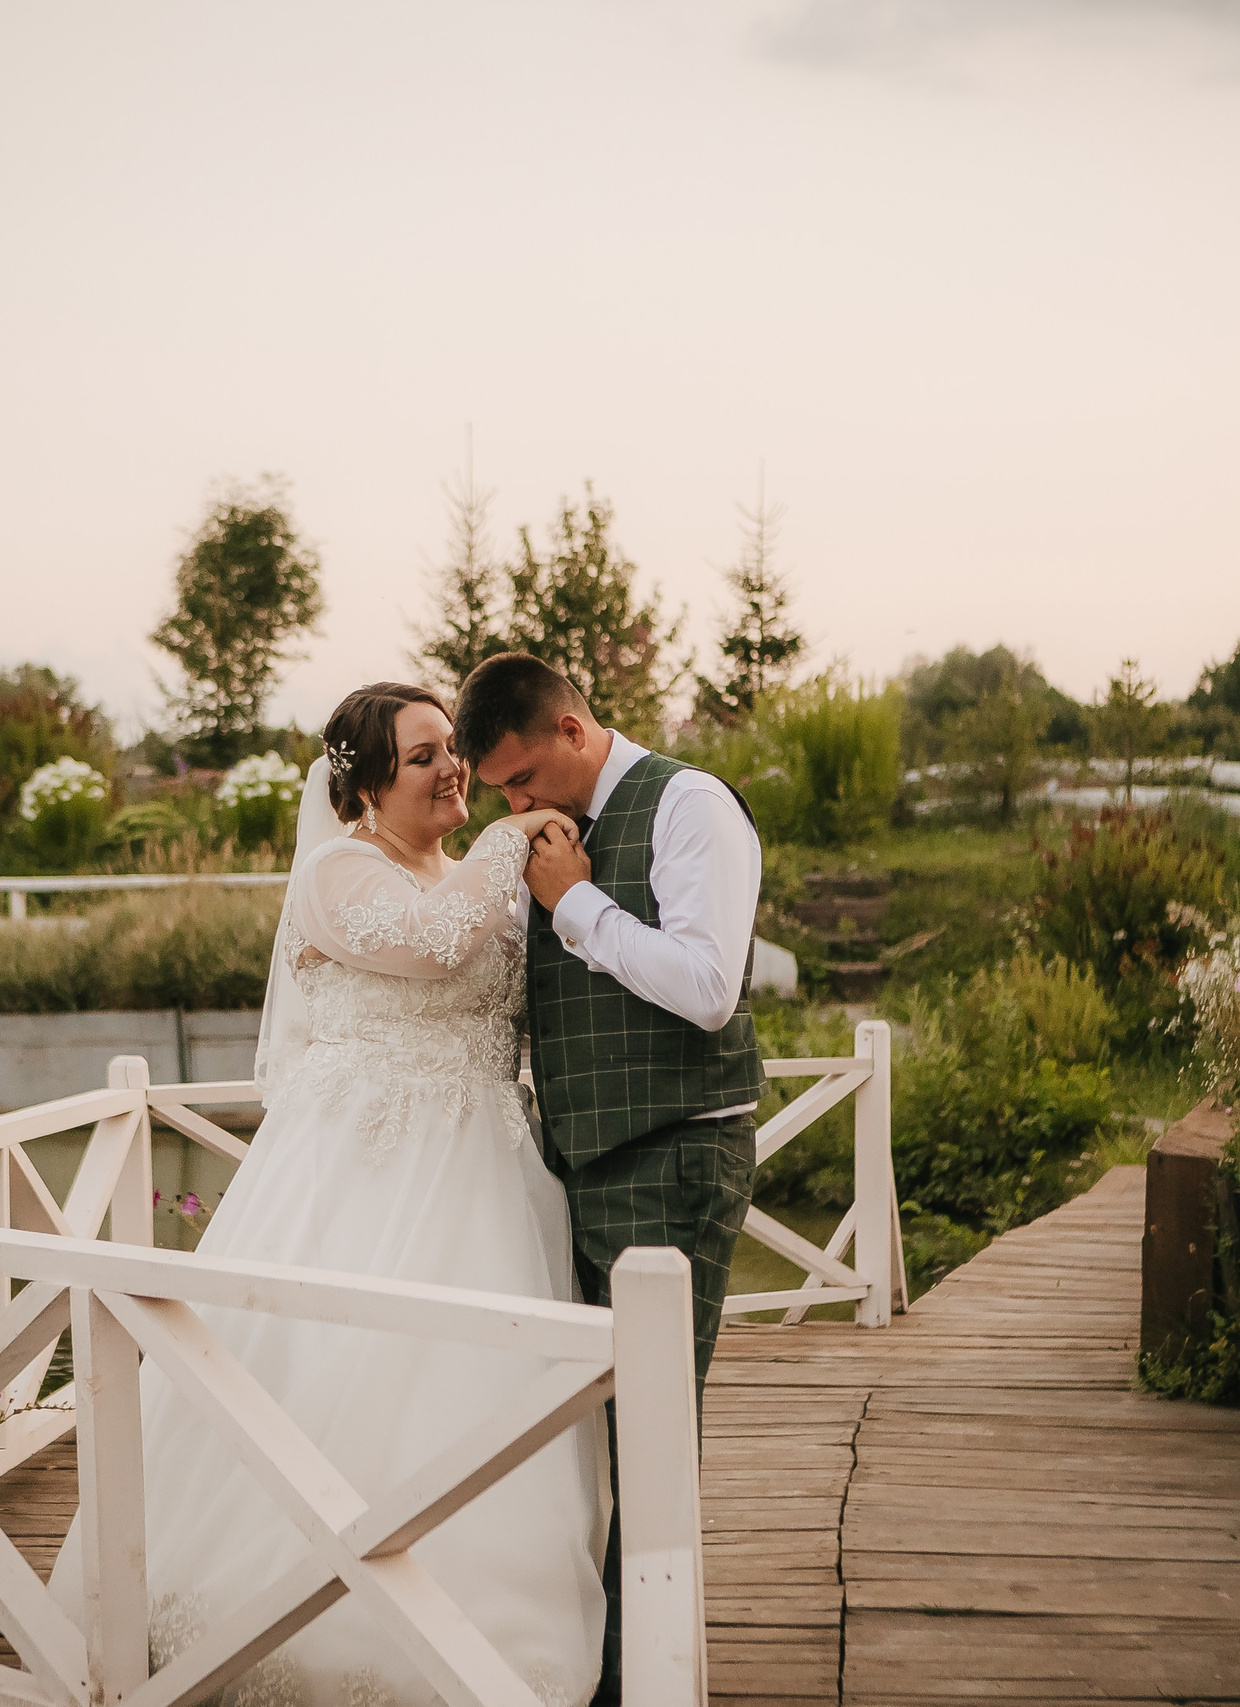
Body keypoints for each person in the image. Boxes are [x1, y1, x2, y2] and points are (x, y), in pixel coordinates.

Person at [137, 682, 606, 1707]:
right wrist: (512, 838)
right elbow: (431, 942)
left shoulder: (477, 870)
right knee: (328, 1389)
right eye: (424, 755)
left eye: (452, 750)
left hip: (485, 1170)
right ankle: (286, 1627)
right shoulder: (335, 872)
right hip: (359, 1175)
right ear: (363, 783)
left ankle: (476, 1639)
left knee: (478, 1400)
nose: (453, 769)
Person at [455, 652, 765, 1707]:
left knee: (652, 1434)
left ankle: (645, 1683)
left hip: (675, 1154)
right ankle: (599, 1665)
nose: (513, 803)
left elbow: (709, 987)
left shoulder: (689, 807)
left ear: (573, 733)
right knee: (587, 1437)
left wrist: (577, 906)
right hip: (577, 1164)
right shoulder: (545, 835)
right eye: (500, 788)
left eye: (521, 778)